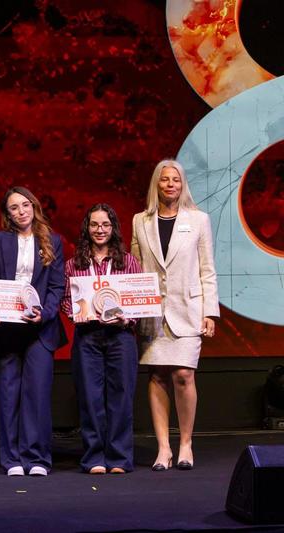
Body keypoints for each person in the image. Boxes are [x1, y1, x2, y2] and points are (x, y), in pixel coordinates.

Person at [131, 159, 219, 471]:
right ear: (156, 184)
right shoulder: (140, 221)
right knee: (157, 376)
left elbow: (207, 269)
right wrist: (133, 307)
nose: (171, 185)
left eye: (176, 180)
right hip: (152, 312)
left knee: (183, 374)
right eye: (165, 179)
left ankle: (185, 443)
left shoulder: (199, 220)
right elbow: (136, 268)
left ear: (183, 185)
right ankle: (163, 448)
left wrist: (210, 312)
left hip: (188, 309)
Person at [0, 186, 66, 476]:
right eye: (14, 207)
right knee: (8, 394)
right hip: (6, 329)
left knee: (37, 394)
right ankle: (12, 459)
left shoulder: (53, 240)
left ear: (34, 206)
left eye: (25, 205)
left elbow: (56, 287)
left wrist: (45, 313)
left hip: (40, 330)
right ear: (8, 214)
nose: (21, 211)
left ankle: (37, 458)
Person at [61, 203, 142, 474]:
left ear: (113, 228)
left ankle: (119, 458)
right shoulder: (73, 264)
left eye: (105, 225)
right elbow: (65, 299)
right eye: (94, 224)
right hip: (88, 337)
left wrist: (127, 319)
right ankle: (94, 457)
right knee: (90, 397)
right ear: (87, 228)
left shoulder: (128, 262)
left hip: (121, 336)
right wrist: (76, 314)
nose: (100, 230)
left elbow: (138, 300)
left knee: (121, 397)